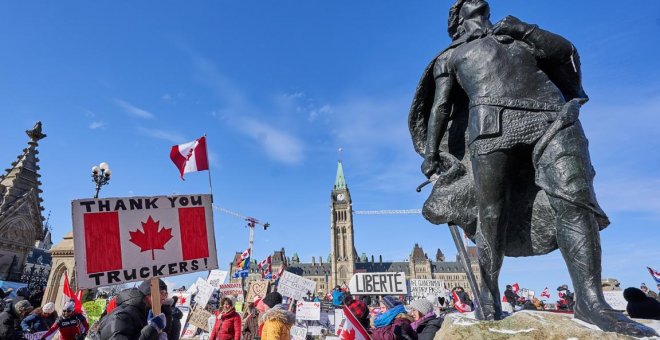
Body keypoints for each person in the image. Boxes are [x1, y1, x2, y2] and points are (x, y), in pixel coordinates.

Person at [408, 0, 655, 337]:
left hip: (551, 117)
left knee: (575, 200)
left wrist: (525, 29)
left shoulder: (520, 35)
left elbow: (566, 52)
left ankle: (591, 300)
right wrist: (431, 151)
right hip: (491, 125)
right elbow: (440, 107)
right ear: (456, 20)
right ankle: (489, 291)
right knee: (491, 213)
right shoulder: (448, 57)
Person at [97, 278, 168, 340]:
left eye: (166, 294)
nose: (164, 297)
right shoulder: (122, 315)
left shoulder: (144, 314)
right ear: (147, 294)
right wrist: (151, 330)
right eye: (161, 292)